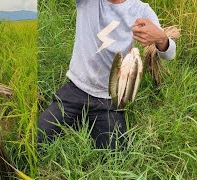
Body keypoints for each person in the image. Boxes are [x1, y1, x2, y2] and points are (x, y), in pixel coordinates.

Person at [37, 0, 176, 150]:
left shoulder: (141, 10)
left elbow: (169, 54)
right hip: (75, 90)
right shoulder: (88, 3)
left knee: (115, 155)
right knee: (39, 137)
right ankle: (78, 119)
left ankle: (84, 121)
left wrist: (161, 39)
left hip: (110, 98)